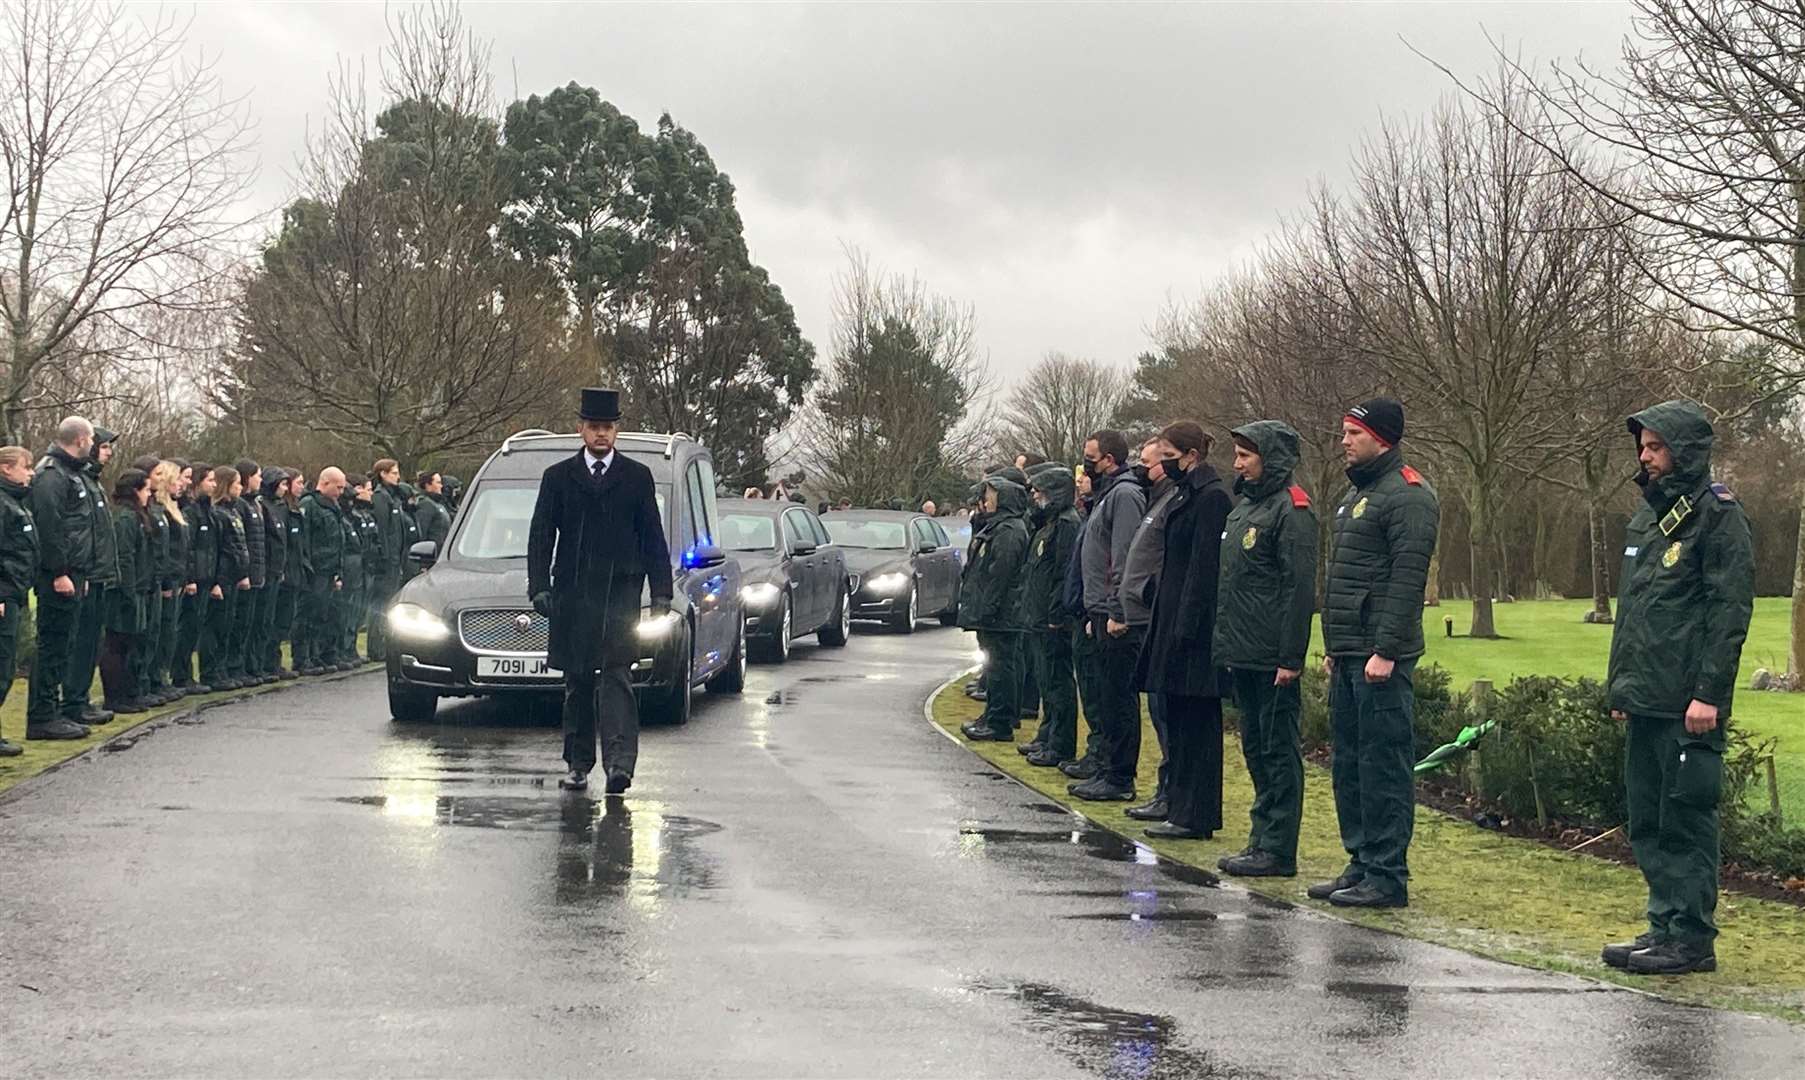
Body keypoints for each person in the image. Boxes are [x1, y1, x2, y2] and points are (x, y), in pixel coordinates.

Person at [1602, 401, 1754, 977]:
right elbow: (1637, 616)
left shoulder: (1718, 516)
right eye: (1642, 446)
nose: (1646, 456)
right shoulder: (1647, 517)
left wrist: (1709, 694)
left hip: (1689, 704)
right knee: (1648, 819)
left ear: (1684, 451)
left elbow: (1728, 613)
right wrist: (1623, 690)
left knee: (1686, 818)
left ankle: (1691, 937)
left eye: (1656, 447)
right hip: (1647, 696)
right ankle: (1663, 923)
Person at [1315, 398, 1439, 909]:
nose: (1344, 441)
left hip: (1379, 656)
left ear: (1381, 438)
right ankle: (1361, 861)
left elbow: (1407, 580)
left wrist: (1386, 649)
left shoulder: (1408, 496)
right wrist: (1334, 647)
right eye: (1344, 431)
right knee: (1349, 763)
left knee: (1383, 765)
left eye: (1353, 433)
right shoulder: (1356, 494)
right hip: (1349, 651)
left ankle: (1387, 874)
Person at [528, 387, 673, 795]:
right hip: (572, 595)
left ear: (616, 431)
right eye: (594, 427)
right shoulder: (558, 477)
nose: (601, 435)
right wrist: (538, 586)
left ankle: (619, 765)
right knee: (577, 682)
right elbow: (540, 535)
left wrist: (662, 591)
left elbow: (653, 539)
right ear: (581, 430)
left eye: (607, 427)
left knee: (617, 679)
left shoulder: (636, 477)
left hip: (620, 594)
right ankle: (577, 764)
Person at [1215, 422, 1318, 877]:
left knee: (1278, 752)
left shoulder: (1291, 511)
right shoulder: (1246, 509)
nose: (1237, 464)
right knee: (1255, 749)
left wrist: (1290, 658)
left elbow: (1299, 590)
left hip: (1273, 655)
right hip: (1244, 649)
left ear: (1270, 458)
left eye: (1245, 456)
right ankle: (1260, 839)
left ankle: (1277, 848)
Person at [1133, 422, 1233, 841]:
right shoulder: (1186, 496)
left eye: (1170, 453)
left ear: (1191, 456)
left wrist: (1187, 626)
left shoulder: (1211, 500)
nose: (1164, 462)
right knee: (1178, 721)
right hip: (1172, 619)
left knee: (1197, 726)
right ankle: (1179, 803)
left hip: (1193, 631)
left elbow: (1203, 570)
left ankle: (1195, 813)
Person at [1071, 429, 1147, 802]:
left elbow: (1124, 556)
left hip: (1116, 614)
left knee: (1119, 696)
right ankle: (1106, 767)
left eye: (1091, 457)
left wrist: (1117, 607)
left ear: (1110, 460)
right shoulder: (1105, 496)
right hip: (1099, 610)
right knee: (1104, 695)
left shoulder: (1125, 495)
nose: (1086, 464)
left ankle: (1119, 777)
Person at [27, 417, 99, 740]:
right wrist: (59, 572)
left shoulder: (74, 473)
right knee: (52, 643)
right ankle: (42, 716)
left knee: (65, 644)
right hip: (59, 575)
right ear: (81, 438)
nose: (95, 444)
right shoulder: (51, 475)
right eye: (93, 438)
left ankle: (54, 710)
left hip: (75, 573)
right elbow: (50, 526)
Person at [1121, 437, 1180, 822]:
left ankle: (1170, 791)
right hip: (1144, 616)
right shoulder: (1155, 500)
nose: (1142, 469)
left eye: (1148, 462)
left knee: (1165, 714)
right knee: (1158, 711)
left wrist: (1145, 592)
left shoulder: (1171, 501)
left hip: (1152, 617)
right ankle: (1165, 790)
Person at [957, 474, 1032, 742]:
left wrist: (988, 607)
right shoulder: (997, 527)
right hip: (996, 611)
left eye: (991, 497)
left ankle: (999, 721)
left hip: (1002, 613)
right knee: (996, 665)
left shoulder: (1009, 531)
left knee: (1001, 666)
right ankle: (994, 715)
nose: (986, 502)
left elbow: (1001, 573)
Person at [1016, 463, 1081, 768]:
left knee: (1058, 682)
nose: (1036, 497)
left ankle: (1060, 743)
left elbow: (1062, 573)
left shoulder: (1066, 524)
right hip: (1039, 614)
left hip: (1052, 618)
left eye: (1040, 492)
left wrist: (1057, 613)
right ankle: (1047, 735)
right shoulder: (1049, 522)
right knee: (1046, 681)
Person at [64, 426, 120, 728]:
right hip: (84, 575)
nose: (110, 453)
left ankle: (80, 699)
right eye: (106, 446)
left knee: (91, 643)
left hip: (98, 575)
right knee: (81, 642)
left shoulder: (93, 482)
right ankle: (72, 701)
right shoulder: (79, 480)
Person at [99, 469, 152, 713]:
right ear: (135, 491)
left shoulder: (135, 516)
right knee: (118, 645)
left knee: (132, 643)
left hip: (137, 588)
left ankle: (130, 693)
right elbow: (125, 557)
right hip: (123, 591)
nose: (149, 495)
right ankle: (115, 697)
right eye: (146, 490)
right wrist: (129, 590)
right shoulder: (125, 519)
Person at [0, 446, 41, 755]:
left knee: (7, 664)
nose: (31, 472)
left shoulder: (17, 503)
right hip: (5, 595)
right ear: (5, 468)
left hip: (16, 593)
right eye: (26, 467)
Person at [201, 465, 251, 691]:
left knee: (229, 625)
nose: (240, 487)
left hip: (233, 575)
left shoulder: (235, 511)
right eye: (237, 483)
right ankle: (212, 671)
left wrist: (242, 572)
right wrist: (218, 582)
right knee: (216, 627)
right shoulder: (219, 513)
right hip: (222, 577)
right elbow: (221, 549)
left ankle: (222, 669)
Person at [296, 468, 347, 675]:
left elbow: (338, 541)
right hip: (315, 570)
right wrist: (307, 567)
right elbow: (304, 540)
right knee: (307, 615)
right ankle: (302, 657)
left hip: (328, 569)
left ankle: (316, 655)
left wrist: (338, 570)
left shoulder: (333, 506)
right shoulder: (310, 504)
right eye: (338, 487)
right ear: (325, 483)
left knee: (321, 615)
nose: (341, 492)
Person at [174, 464, 217, 694]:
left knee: (194, 628)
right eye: (209, 480)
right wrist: (190, 577)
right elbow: (188, 548)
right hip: (194, 579)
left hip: (205, 577)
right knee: (186, 628)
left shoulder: (204, 509)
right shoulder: (191, 512)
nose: (214, 484)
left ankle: (186, 675)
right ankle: (181, 675)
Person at [260, 469, 301, 679]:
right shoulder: (264, 507)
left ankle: (273, 661)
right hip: (270, 571)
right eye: (282, 485)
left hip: (283, 570)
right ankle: (265, 662)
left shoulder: (283, 508)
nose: (285, 489)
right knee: (268, 619)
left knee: (280, 621)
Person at [367, 459, 406, 658]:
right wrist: (385, 556)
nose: (397, 477)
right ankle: (376, 646)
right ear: (382, 473)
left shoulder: (394, 498)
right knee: (380, 604)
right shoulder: (381, 497)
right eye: (393, 472)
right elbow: (382, 529)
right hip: (387, 560)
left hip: (395, 559)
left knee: (389, 603)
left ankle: (384, 643)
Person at [343, 477, 378, 669]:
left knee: (358, 611)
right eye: (368, 489)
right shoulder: (351, 515)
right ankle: (345, 649)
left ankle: (351, 648)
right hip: (354, 568)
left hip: (365, 567)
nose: (370, 493)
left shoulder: (364, 514)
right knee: (348, 610)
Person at [414, 470, 453, 549]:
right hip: (432, 554)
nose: (441, 486)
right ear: (428, 485)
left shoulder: (438, 503)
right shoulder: (425, 504)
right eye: (438, 483)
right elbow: (422, 533)